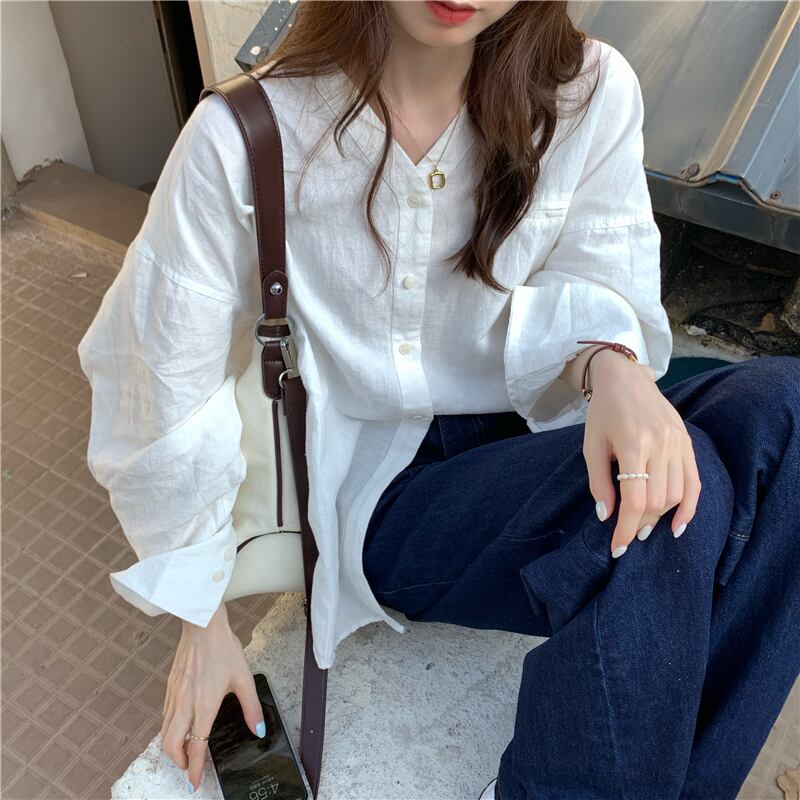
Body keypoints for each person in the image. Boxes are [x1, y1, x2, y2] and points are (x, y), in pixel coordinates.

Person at [76, 1, 800, 798]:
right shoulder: (249, 133)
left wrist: (615, 367)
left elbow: (599, 264)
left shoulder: (589, 91)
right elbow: (158, 385)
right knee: (656, 506)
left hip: (540, 431)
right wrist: (202, 621)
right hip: (386, 488)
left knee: (786, 412)